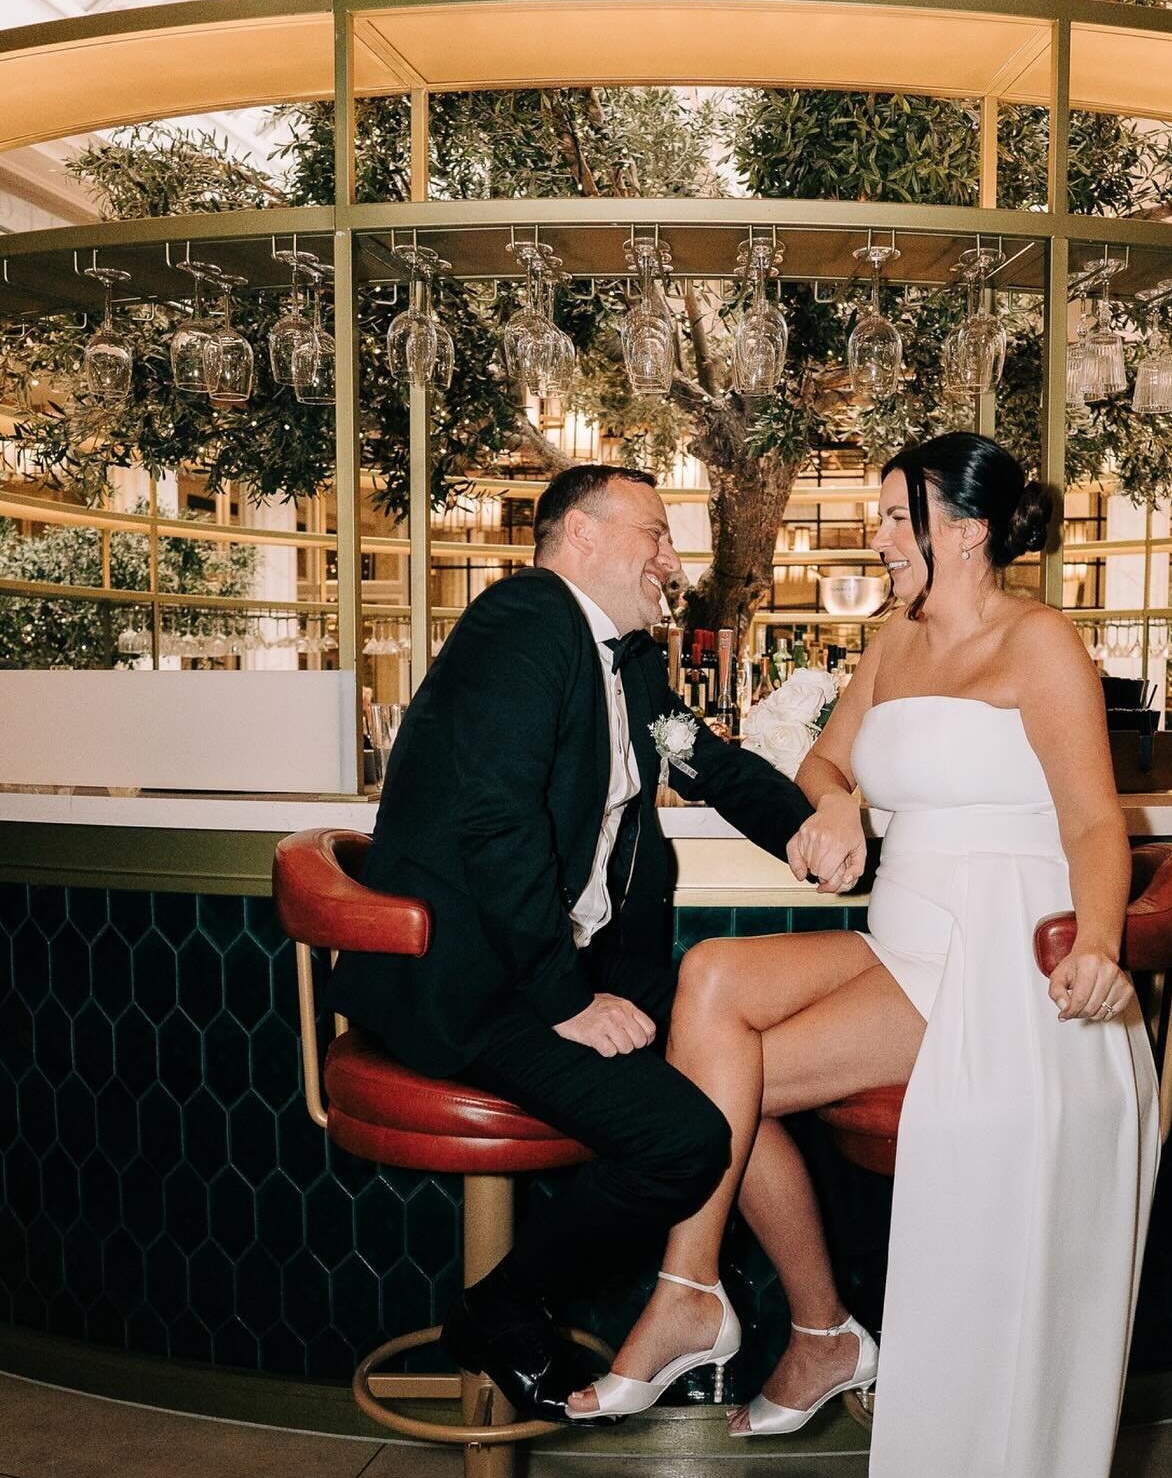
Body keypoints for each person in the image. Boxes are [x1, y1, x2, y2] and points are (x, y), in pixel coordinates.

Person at [570, 432, 1160, 1478]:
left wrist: (1102, 941)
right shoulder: (892, 647)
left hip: (991, 959)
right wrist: (831, 804)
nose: (879, 537)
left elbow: (1094, 827)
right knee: (710, 992)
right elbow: (833, 763)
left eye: (895, 517)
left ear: (961, 525)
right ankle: (772, 1317)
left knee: (721, 1068)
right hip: (904, 940)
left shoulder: (1037, 647)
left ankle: (730, 1310)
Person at [328, 464, 817, 1423]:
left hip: (544, 977)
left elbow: (702, 758)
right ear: (580, 536)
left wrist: (803, 830)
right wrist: (565, 1001)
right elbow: (496, 826)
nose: (674, 562)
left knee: (727, 1068)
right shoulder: (525, 622)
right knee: (683, 1142)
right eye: (657, 534)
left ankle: (817, 1330)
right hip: (469, 987)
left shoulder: (622, 660)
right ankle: (503, 1309)